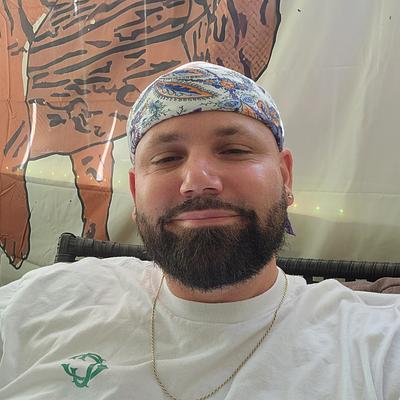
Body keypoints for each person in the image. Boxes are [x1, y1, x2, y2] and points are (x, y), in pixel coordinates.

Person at [0, 62, 399, 400]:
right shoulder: (44, 300)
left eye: (234, 150)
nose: (198, 181)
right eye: (167, 158)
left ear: (285, 177)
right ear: (136, 192)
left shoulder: (374, 342)